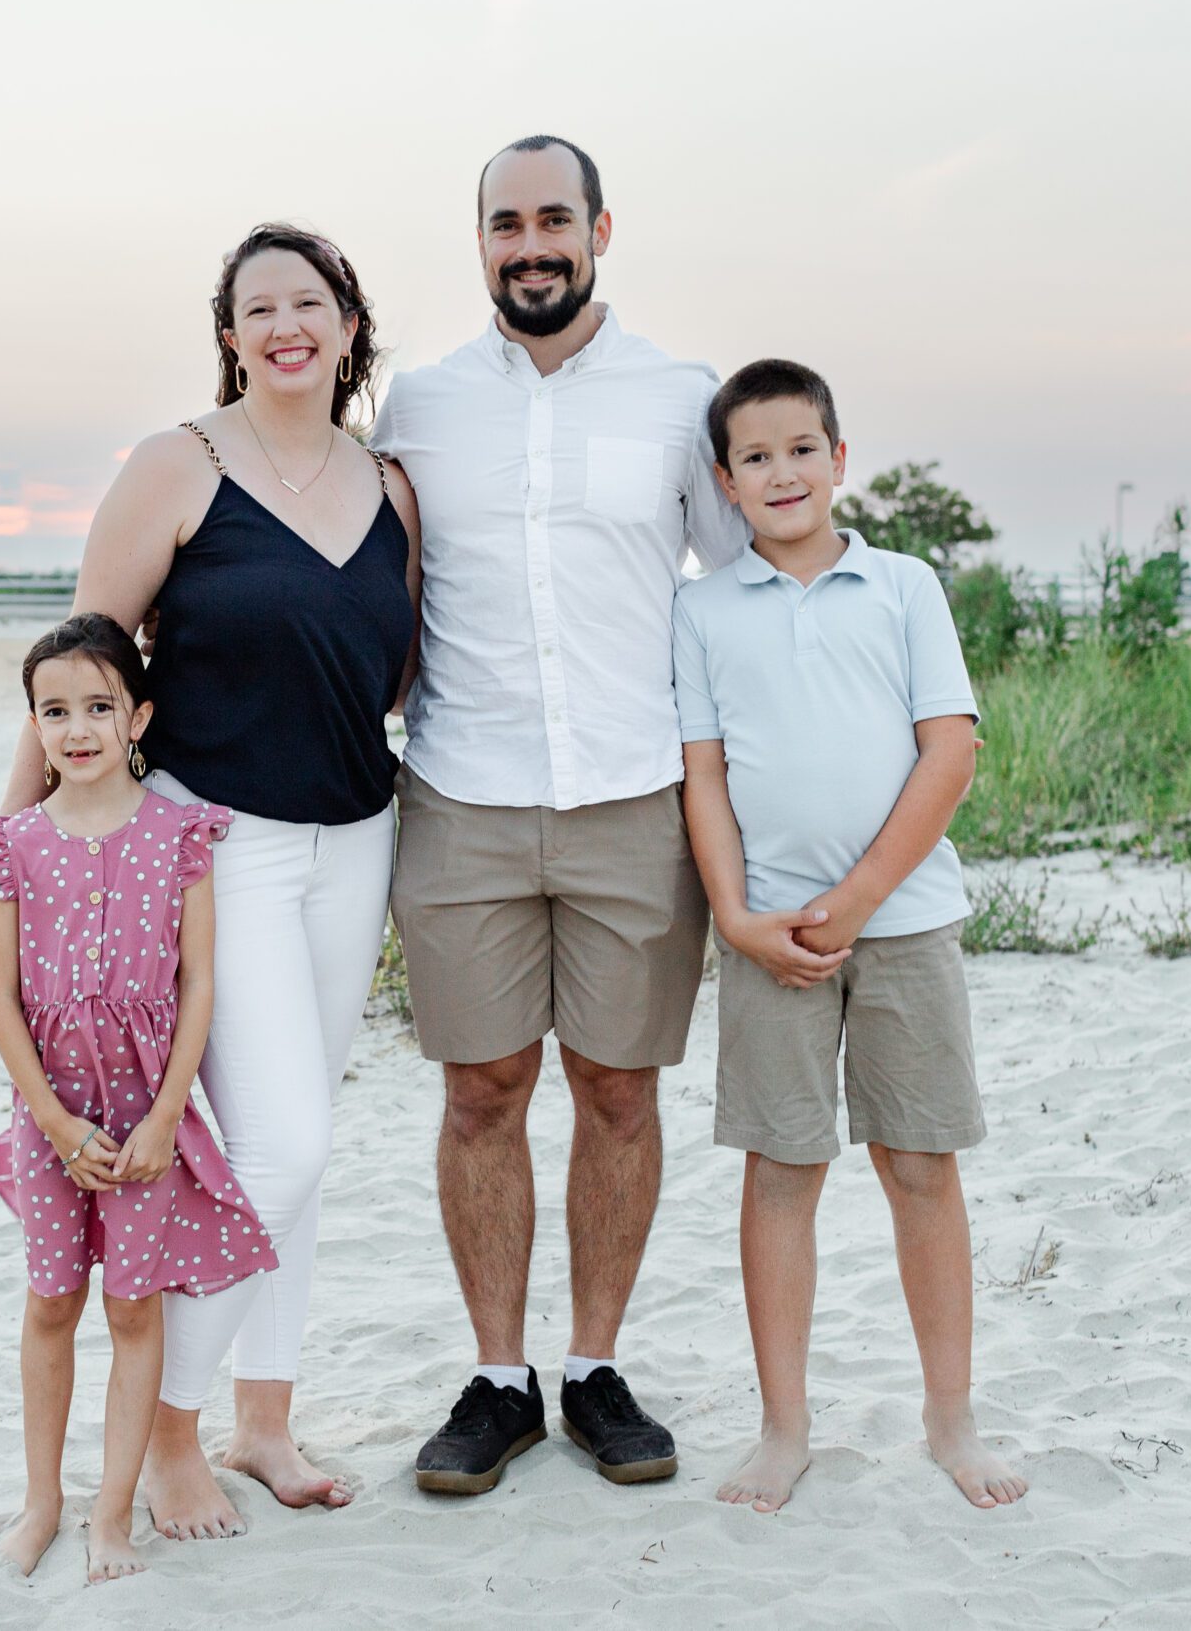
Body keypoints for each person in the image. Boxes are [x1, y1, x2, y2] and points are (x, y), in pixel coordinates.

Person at [0, 224, 421, 1539]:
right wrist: (8, 848)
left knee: (301, 1151)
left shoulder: (390, 488)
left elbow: (386, 666)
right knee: (277, 1144)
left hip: (358, 838)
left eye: (311, 301)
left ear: (347, 326)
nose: (286, 323)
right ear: (230, 335)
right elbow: (82, 663)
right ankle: (165, 1428)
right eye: (257, 306)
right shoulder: (179, 463)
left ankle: (263, 1421)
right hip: (212, 842)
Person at [369, 135, 750, 1494]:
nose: (529, 244)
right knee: (482, 1090)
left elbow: (739, 582)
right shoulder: (415, 404)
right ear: (477, 241)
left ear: (600, 227)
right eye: (502, 223)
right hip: (461, 796)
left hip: (634, 796)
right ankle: (495, 1375)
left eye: (552, 219)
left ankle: (592, 1367)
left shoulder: (676, 397)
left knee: (617, 1087)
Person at [673, 358, 1030, 1514]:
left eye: (800, 448)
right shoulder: (703, 607)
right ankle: (784, 1429)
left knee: (921, 1164)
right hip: (768, 931)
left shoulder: (904, 585)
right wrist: (735, 917)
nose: (781, 472)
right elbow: (705, 775)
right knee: (781, 1168)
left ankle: (951, 1417)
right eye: (755, 457)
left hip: (905, 923)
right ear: (724, 483)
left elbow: (950, 751)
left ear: (840, 457)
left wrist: (865, 897)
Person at [0, 614, 273, 1582]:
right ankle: (42, 1503)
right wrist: (55, 1124)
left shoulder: (182, 836)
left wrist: (162, 1116)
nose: (78, 728)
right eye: (54, 712)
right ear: (34, 727)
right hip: (51, 1116)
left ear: (138, 716)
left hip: (147, 1118)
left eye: (99, 706)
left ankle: (112, 1514)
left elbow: (199, 984)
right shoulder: (10, 846)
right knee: (52, 1299)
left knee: (134, 1311)